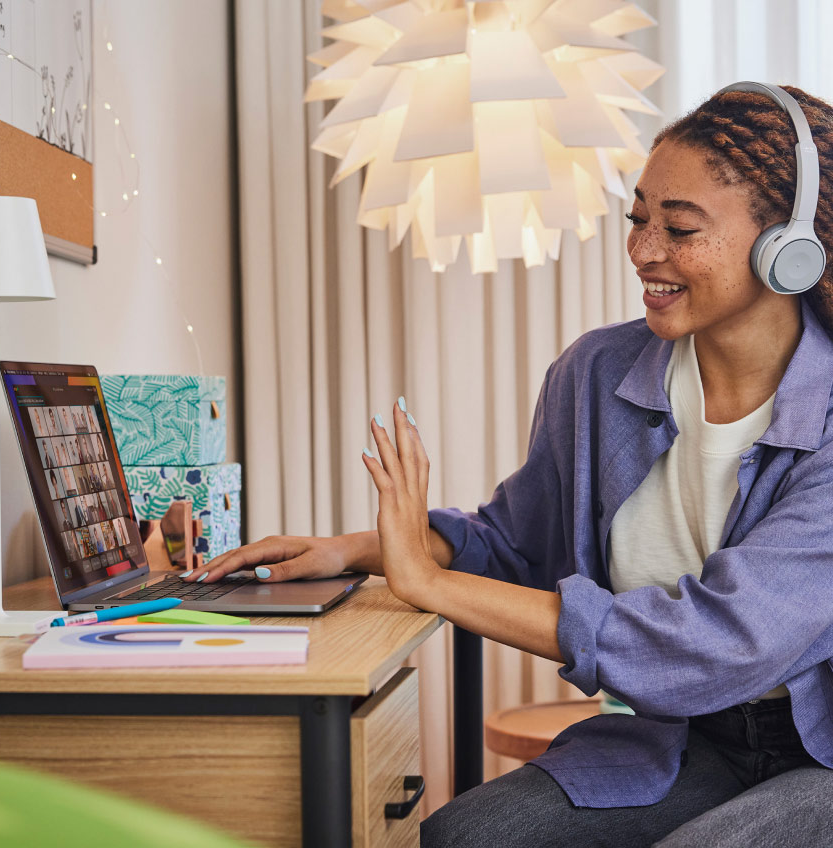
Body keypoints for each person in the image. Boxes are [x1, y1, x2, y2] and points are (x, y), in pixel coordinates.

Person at [182, 84, 833, 845]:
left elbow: (710, 643)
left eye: (679, 227)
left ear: (790, 247)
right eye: (637, 220)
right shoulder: (597, 376)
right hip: (682, 738)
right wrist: (357, 551)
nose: (642, 250)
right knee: (465, 836)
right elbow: (519, 543)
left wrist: (429, 583)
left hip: (818, 758)